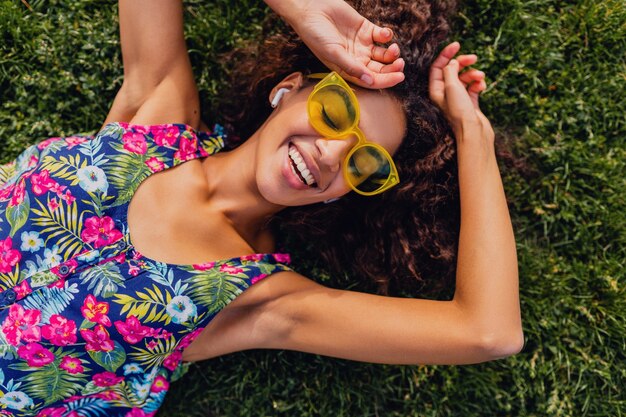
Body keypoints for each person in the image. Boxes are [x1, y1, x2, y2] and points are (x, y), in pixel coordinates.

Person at [0, 0, 523, 415]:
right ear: (288, 88)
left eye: (364, 163)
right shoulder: (157, 118)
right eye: (334, 111)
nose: (331, 152)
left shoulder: (259, 297)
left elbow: (488, 332)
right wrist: (302, 10)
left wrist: (472, 134)